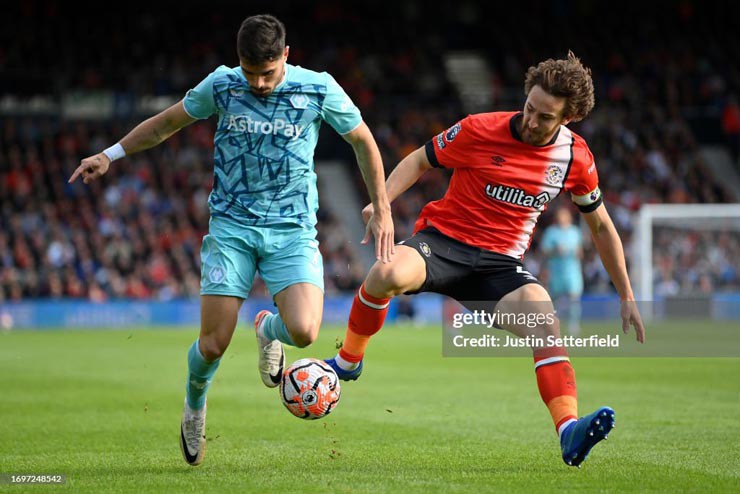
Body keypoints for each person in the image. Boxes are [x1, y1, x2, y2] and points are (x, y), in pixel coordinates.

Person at [68, 14, 394, 467]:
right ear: (237, 62)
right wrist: (110, 154)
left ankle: (266, 328)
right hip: (231, 230)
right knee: (213, 344)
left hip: (292, 230)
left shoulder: (318, 88)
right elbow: (165, 125)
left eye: (267, 72)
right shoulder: (221, 85)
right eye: (249, 72)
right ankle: (194, 406)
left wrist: (382, 207)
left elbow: (363, 141)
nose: (258, 83)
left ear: (286, 55)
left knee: (304, 331)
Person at [325, 51, 645, 468]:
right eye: (529, 108)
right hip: (442, 243)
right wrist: (381, 203)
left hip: (499, 266)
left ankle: (568, 430)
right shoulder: (479, 129)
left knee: (543, 318)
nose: (531, 120)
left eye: (545, 117)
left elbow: (601, 227)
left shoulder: (574, 158)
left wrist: (626, 294)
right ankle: (348, 362)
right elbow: (421, 158)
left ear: (569, 118)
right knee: (384, 272)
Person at [540, 206, 584, 334]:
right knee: (553, 300)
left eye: (564, 215)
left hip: (572, 270)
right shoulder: (551, 232)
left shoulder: (575, 232)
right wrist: (555, 250)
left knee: (574, 298)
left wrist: (577, 253)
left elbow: (580, 252)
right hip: (556, 270)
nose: (562, 218)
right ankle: (551, 325)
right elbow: (544, 251)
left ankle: (573, 326)